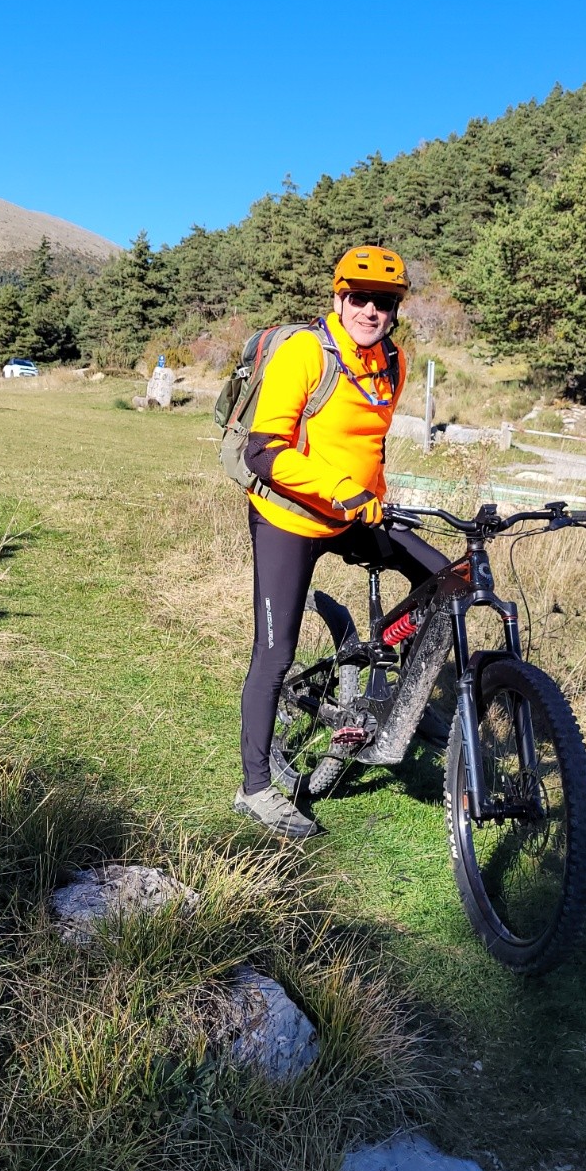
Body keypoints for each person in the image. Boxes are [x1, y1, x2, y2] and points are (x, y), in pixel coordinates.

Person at [233, 245, 450, 839]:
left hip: (357, 512)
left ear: (395, 310)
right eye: (359, 298)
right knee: (274, 655)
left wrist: (373, 497)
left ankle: (410, 697)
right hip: (290, 519)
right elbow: (263, 450)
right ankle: (255, 788)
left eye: (384, 302)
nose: (371, 310)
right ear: (338, 298)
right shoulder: (306, 352)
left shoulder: (393, 362)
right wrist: (341, 492)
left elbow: (368, 441)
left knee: (447, 580)